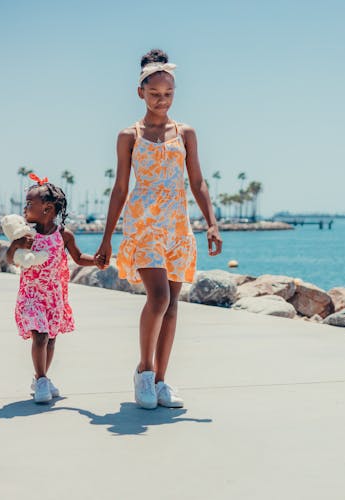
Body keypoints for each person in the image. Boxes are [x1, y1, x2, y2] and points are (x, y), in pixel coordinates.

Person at [95, 49, 222, 409]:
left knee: (172, 305)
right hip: (143, 224)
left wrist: (211, 224)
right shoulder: (128, 135)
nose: (161, 101)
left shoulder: (186, 133)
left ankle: (162, 382)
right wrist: (106, 238)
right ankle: (144, 372)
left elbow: (197, 181)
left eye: (168, 95)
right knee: (159, 297)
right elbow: (120, 188)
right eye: (154, 95)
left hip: (177, 225)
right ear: (140, 93)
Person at [7, 173, 97, 403]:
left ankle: (40, 378)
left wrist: (96, 261)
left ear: (47, 208)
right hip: (32, 295)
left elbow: (78, 258)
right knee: (40, 336)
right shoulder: (27, 234)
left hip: (54, 296)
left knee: (51, 339)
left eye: (30, 203)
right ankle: (42, 379)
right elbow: (11, 259)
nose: (25, 207)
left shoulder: (63, 235)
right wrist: (17, 245)